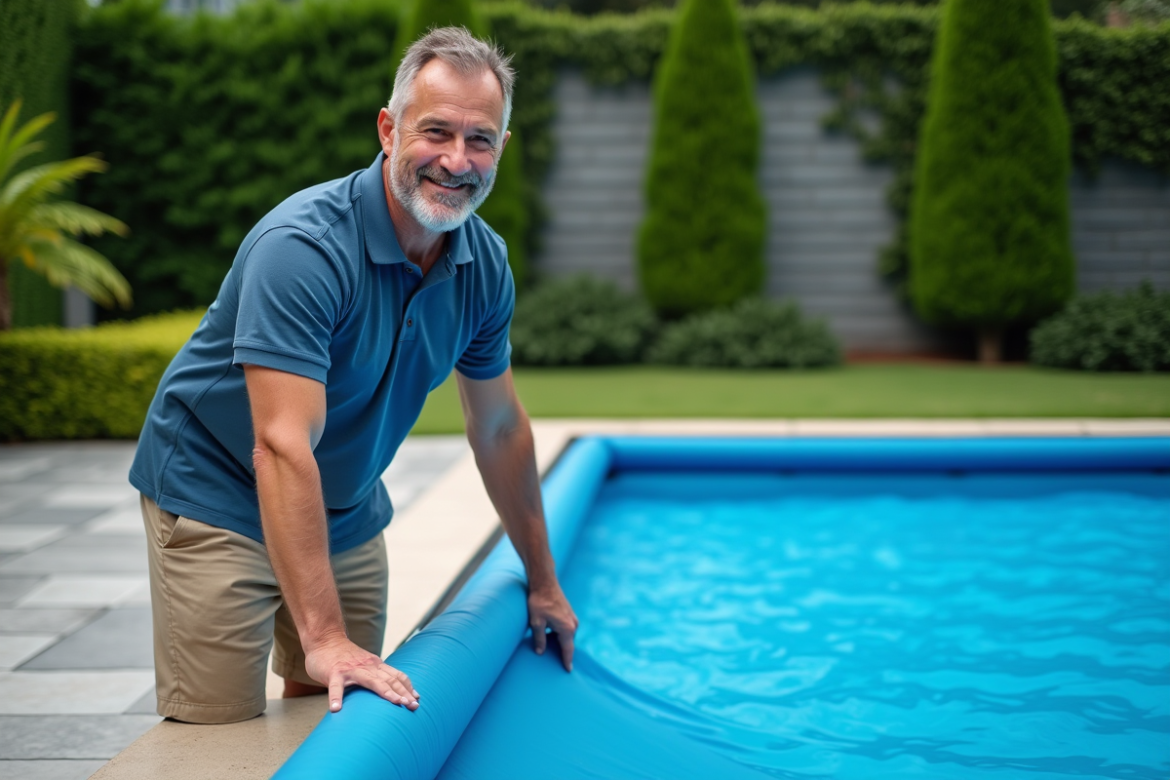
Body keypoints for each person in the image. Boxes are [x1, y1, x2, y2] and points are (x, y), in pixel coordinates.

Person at [129, 27, 577, 725]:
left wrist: (544, 582)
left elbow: (498, 425)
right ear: (388, 130)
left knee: (340, 714)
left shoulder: (483, 264)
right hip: (216, 494)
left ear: (502, 150)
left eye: (480, 139)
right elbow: (280, 444)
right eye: (436, 132)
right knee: (217, 735)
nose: (458, 161)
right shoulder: (303, 249)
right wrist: (324, 635)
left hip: (345, 506)